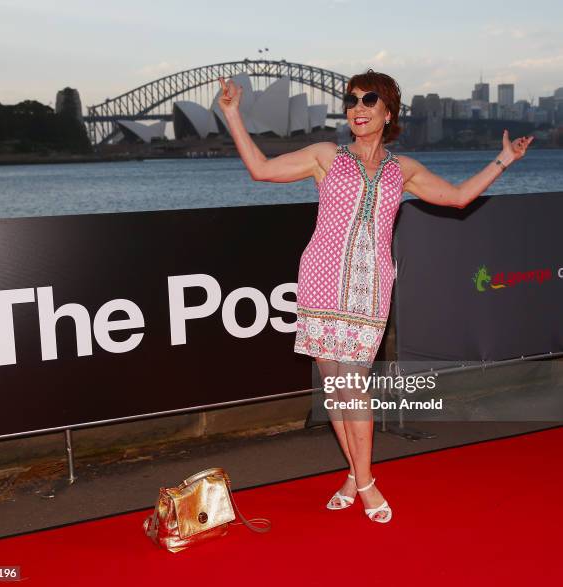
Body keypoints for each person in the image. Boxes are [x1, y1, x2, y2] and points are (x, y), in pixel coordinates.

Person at [217, 69, 534, 523]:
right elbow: (261, 170)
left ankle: (362, 481)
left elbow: (460, 197)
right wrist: (231, 113)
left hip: (370, 289)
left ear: (388, 112)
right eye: (351, 102)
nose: (358, 110)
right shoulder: (325, 156)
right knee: (337, 390)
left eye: (368, 101)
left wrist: (503, 161)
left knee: (355, 387)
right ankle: (358, 477)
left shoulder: (402, 170)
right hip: (320, 284)